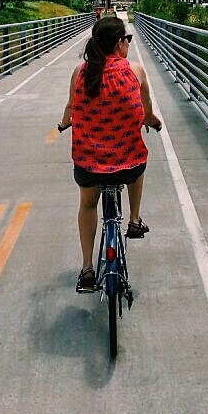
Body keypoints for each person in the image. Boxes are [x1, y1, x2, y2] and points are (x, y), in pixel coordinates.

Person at [59, 16, 161, 293]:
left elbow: (70, 109)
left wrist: (65, 122)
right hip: (127, 164)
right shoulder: (136, 71)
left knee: (88, 205)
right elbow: (147, 111)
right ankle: (134, 220)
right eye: (126, 40)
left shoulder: (80, 72)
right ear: (119, 43)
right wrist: (151, 121)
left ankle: (87, 269)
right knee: (139, 161)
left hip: (89, 166)